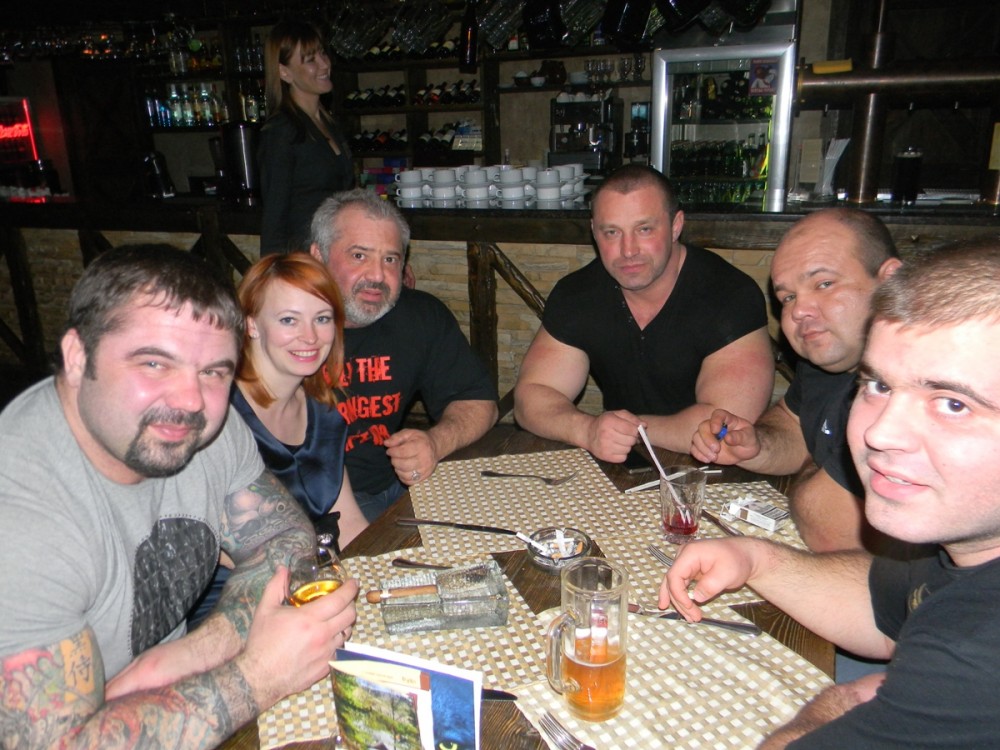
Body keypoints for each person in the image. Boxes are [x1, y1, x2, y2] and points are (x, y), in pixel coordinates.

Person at [0, 245, 358, 748]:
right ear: (77, 357)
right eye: (154, 363)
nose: (191, 401)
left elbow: (285, 537)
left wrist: (190, 653)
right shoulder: (20, 520)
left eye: (213, 371)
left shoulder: (210, 430)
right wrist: (256, 676)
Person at [661, 236, 1000, 747]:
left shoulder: (974, 656)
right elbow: (885, 605)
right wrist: (755, 559)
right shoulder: (966, 551)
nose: (880, 432)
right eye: (878, 386)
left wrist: (837, 703)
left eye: (953, 403)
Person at [513, 164, 774, 462]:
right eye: (612, 232)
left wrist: (627, 431)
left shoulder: (730, 295)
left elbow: (724, 430)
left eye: (644, 229)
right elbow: (531, 396)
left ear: (676, 226)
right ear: (594, 232)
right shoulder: (578, 294)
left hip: (716, 473)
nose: (628, 250)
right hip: (623, 465)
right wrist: (587, 430)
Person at [691, 208, 902, 552]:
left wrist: (811, 470)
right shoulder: (827, 359)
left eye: (824, 284)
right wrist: (755, 444)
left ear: (890, 282)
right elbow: (794, 425)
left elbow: (828, 526)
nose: (799, 311)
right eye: (788, 297)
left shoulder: (919, 383)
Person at [188, 252, 368, 627]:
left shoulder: (325, 414)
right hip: (231, 607)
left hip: (310, 585)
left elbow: (350, 523)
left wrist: (379, 574)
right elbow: (222, 548)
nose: (310, 336)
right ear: (251, 324)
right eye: (289, 319)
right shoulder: (218, 412)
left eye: (322, 319)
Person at [309, 189, 498, 521]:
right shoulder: (284, 328)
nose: (377, 276)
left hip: (399, 487)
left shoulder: (420, 316)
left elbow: (478, 401)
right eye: (359, 255)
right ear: (318, 257)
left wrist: (435, 443)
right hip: (316, 502)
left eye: (390, 259)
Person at [258, 20, 354, 255]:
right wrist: (275, 272)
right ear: (284, 72)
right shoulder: (282, 131)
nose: (324, 64)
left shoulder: (329, 124)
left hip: (336, 254)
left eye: (322, 53)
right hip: (304, 259)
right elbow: (274, 220)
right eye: (310, 59)